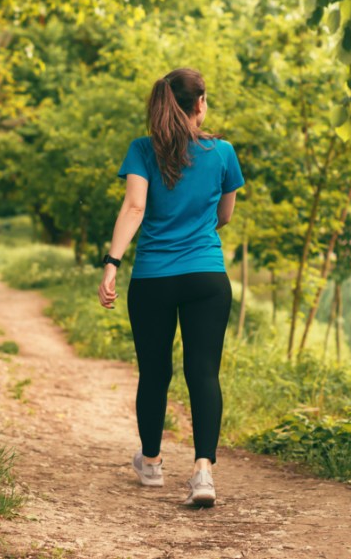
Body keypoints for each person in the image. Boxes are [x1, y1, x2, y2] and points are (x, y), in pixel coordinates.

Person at [97, 68, 244, 508]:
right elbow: (225, 216)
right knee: (203, 372)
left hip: (152, 279)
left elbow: (135, 206)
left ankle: (153, 463)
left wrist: (111, 263)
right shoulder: (223, 153)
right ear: (200, 103)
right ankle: (203, 472)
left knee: (155, 372)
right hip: (206, 278)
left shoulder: (142, 150)